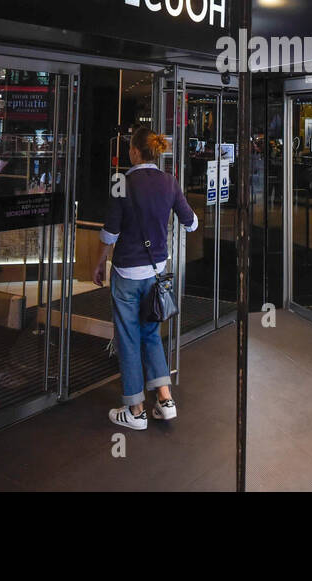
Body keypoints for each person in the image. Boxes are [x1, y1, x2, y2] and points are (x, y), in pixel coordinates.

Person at [94, 127, 198, 429]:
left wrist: (98, 264)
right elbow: (190, 224)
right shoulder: (169, 182)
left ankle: (136, 410)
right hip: (156, 273)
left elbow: (110, 233)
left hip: (126, 273)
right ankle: (165, 399)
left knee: (127, 338)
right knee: (151, 333)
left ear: (135, 152)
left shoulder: (120, 182)